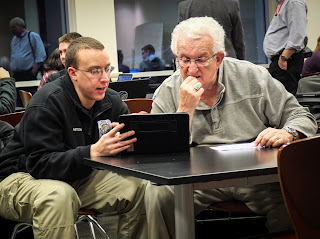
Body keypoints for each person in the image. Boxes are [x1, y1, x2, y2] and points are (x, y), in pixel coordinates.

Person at [144, 17, 318, 239]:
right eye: (184, 59)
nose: (191, 68)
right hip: (199, 180)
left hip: (257, 177)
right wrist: (185, 110)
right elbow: (158, 157)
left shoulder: (252, 77)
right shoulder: (167, 91)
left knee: (304, 189)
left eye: (200, 59)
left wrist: (288, 132)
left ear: (219, 58)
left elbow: (300, 114)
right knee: (157, 193)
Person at [0, 37, 147, 239]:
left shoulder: (111, 101)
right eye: (95, 71)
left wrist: (140, 134)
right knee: (58, 196)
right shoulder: (47, 102)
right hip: (20, 176)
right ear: (73, 73)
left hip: (76, 175)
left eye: (107, 69)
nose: (105, 78)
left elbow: (123, 154)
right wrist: (93, 153)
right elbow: (40, 164)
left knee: (140, 187)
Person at [263, 0, 308, 95]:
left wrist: (283, 57)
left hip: (287, 60)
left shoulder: (294, 2)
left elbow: (297, 34)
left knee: (284, 99)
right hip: (282, 60)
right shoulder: (283, 3)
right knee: (277, 98)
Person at [178, 0, 245, 60]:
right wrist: (241, 65)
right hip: (227, 59)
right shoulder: (231, 5)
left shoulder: (185, 6)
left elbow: (180, 39)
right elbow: (238, 42)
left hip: (198, 60)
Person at [9, 17, 46, 82]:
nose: (11, 29)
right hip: (17, 74)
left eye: (13, 27)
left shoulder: (32, 36)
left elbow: (40, 55)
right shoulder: (14, 39)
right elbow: (13, 56)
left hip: (29, 73)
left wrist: (33, 72)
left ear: (21, 26)